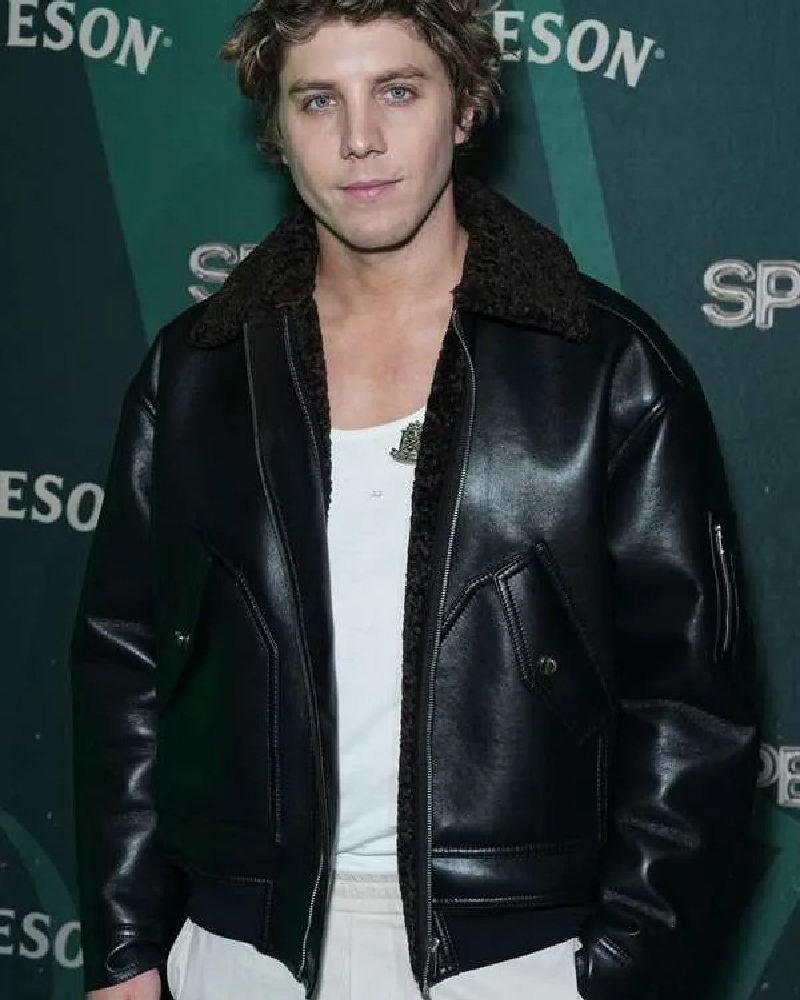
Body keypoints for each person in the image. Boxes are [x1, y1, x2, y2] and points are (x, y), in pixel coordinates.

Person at [70, 2, 759, 999]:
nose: (359, 138)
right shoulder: (197, 370)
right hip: (241, 948)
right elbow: (127, 663)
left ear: (464, 106)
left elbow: (689, 707)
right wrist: (128, 945)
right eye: (318, 100)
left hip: (516, 959)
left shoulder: (605, 368)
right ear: (278, 128)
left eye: (397, 90)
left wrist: (620, 969)